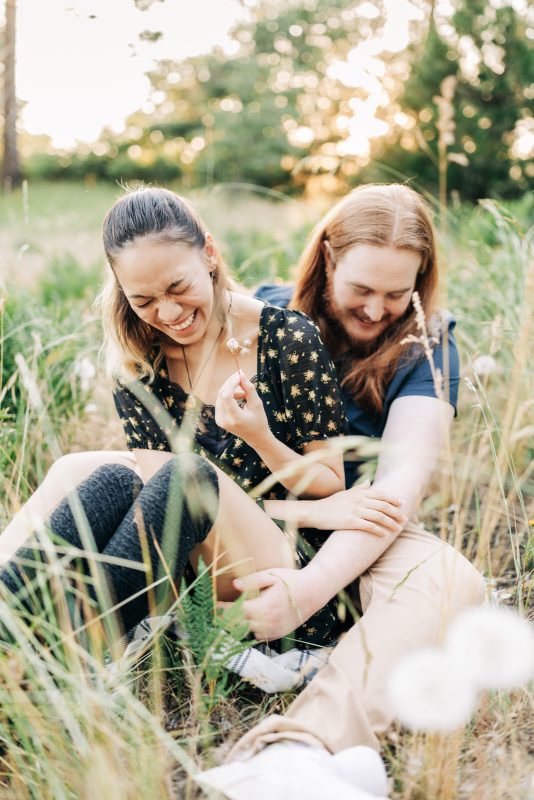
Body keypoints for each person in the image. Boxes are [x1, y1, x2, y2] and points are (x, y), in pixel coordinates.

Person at [0, 187, 404, 651]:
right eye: (144, 300)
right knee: (113, 480)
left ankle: (54, 647)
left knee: (188, 476)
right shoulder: (138, 363)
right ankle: (23, 636)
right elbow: (161, 505)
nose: (168, 314)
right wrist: (312, 510)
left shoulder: (287, 338)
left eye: (178, 288)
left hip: (281, 568)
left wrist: (259, 436)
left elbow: (329, 482)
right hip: (184, 562)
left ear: (209, 253)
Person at [197, 184, 486, 800]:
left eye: (395, 292)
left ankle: (298, 751)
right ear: (328, 257)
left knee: (454, 578)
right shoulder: (265, 317)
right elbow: (198, 467)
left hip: (361, 534)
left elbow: (397, 493)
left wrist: (310, 588)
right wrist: (298, 517)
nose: (377, 310)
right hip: (249, 522)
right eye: (361, 288)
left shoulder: (427, 347)